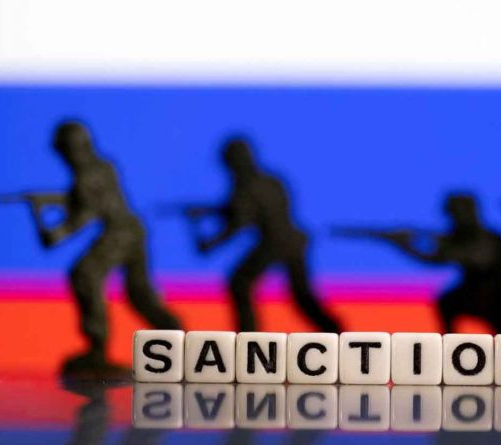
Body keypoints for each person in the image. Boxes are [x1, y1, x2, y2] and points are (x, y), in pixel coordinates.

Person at [40, 121, 181, 374]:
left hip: (120, 233)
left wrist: (58, 233)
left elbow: (88, 212)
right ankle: (176, 335)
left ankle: (97, 349)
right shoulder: (104, 166)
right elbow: (91, 199)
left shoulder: (86, 175)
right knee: (138, 292)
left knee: (85, 275)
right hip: (133, 230)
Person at [194, 137, 341, 332]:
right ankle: (335, 332)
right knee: (302, 295)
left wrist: (212, 243)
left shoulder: (245, 187)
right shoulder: (271, 180)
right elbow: (246, 210)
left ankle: (249, 338)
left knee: (240, 282)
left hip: (275, 242)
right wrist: (215, 211)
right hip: (294, 239)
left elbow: (240, 221)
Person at [389, 193, 501, 333]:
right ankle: (450, 343)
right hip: (470, 294)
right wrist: (404, 246)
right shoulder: (457, 239)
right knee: (446, 303)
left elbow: (470, 259)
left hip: (498, 297)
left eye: (455, 213)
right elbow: (434, 259)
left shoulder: (493, 239)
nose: (452, 219)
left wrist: (414, 246)